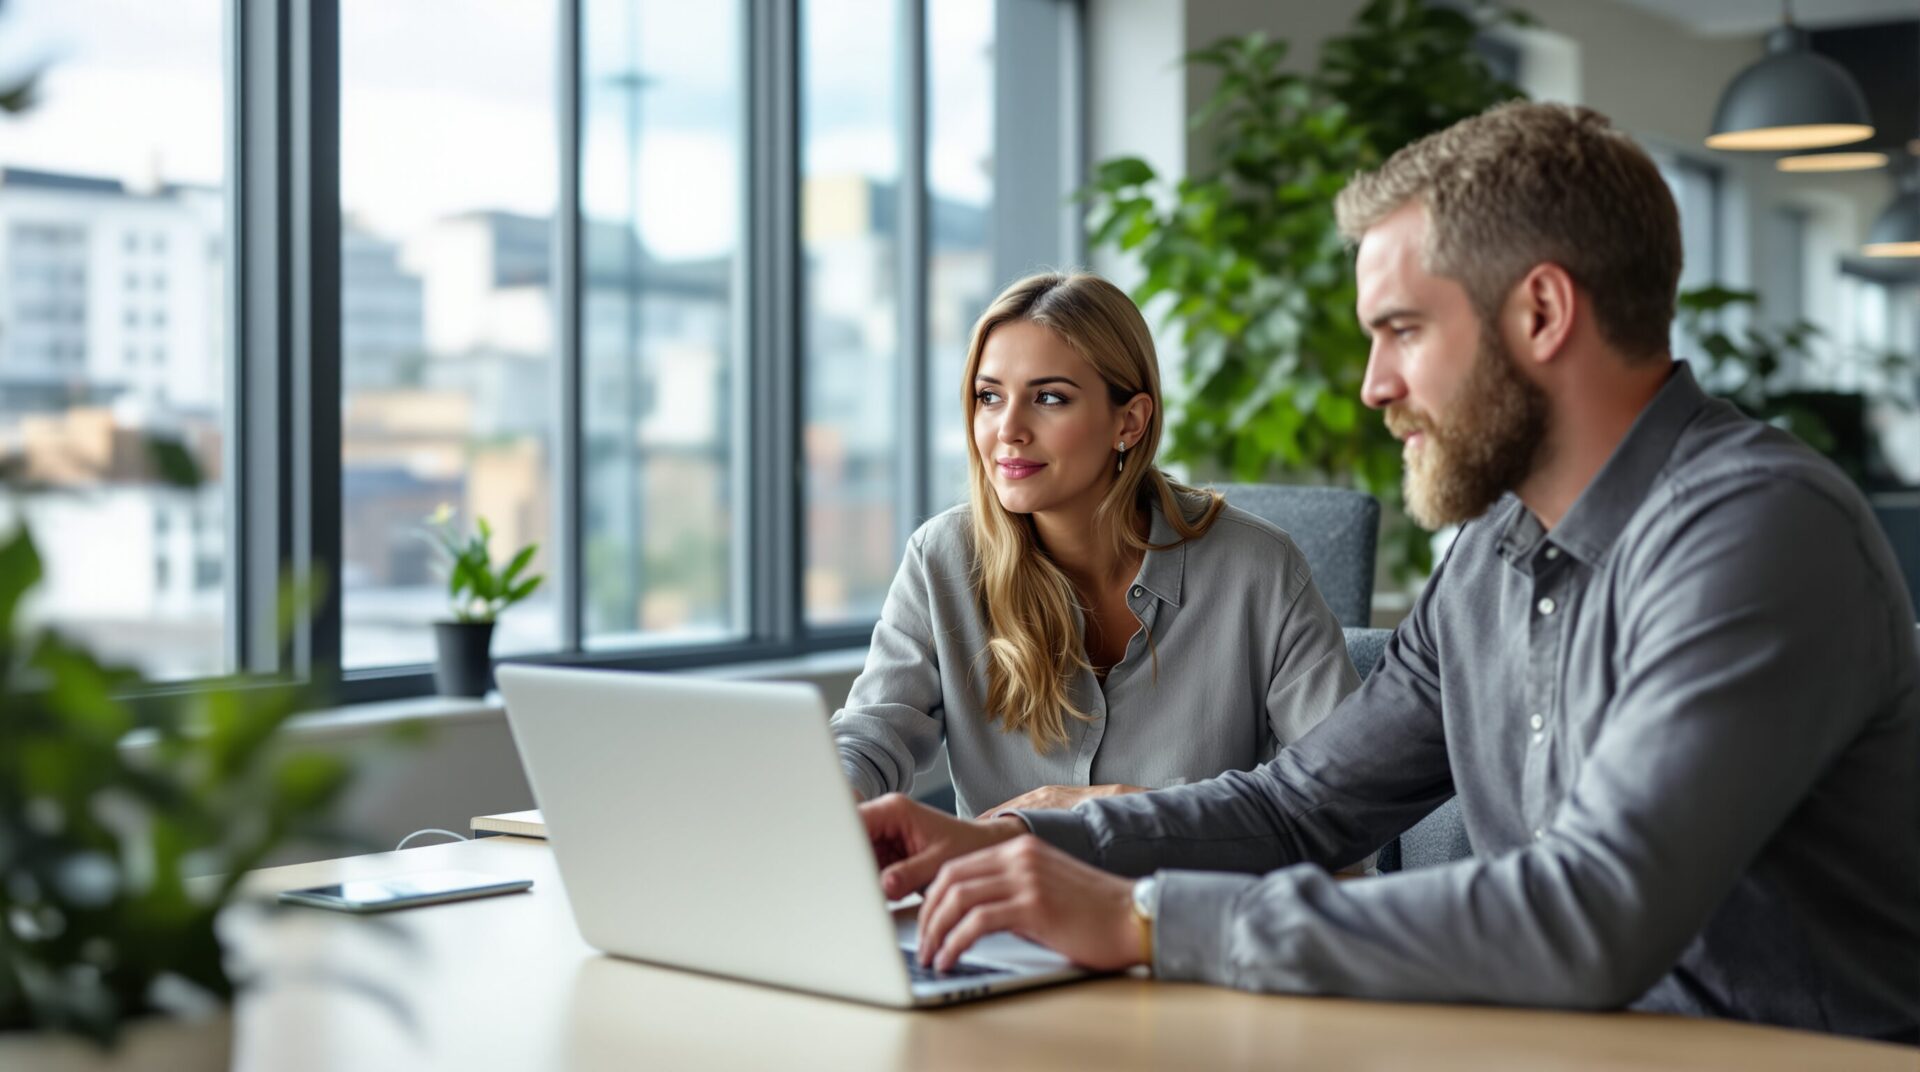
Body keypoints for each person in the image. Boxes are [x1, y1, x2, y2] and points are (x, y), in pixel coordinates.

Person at [857, 102, 1920, 1044]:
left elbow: (1590, 915)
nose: (1373, 385)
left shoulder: (1756, 531)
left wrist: (1142, 918)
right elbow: (1297, 808)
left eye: (1402, 330)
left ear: (1541, 314)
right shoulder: (1492, 557)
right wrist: (1007, 837)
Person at [831, 271, 1360, 820]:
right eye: (989, 396)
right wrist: (832, 796)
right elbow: (872, 736)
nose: (1007, 428)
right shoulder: (940, 559)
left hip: (1183, 904)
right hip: (998, 904)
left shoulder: (1260, 570)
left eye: (1050, 397)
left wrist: (1122, 813)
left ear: (1128, 421)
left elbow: (1341, 799)